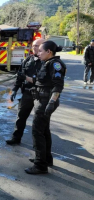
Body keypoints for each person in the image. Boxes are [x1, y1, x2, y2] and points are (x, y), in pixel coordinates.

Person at [24, 41, 66, 174]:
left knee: (37, 131)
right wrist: (26, 78)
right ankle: (46, 158)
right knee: (44, 130)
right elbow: (40, 81)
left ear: (49, 52)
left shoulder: (56, 64)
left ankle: (40, 165)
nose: (38, 53)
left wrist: (52, 102)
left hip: (46, 102)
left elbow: (58, 85)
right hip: (41, 100)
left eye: (41, 51)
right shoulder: (46, 63)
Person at [6, 38, 45, 145]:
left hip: (40, 95)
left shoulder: (47, 62)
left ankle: (39, 146)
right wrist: (14, 90)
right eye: (33, 46)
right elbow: (20, 76)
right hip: (27, 93)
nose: (34, 48)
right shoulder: (28, 60)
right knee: (21, 117)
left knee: (39, 122)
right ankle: (16, 138)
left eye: (37, 46)